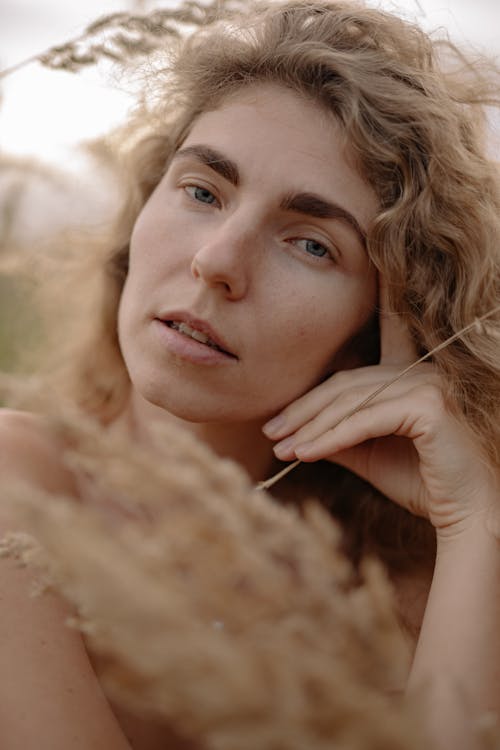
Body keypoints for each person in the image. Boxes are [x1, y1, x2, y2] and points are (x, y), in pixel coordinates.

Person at [1, 0, 500, 748]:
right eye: (202, 192)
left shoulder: (403, 596)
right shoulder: (17, 484)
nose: (217, 261)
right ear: (142, 211)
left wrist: (476, 526)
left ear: (379, 324)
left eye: (310, 244)